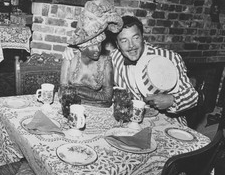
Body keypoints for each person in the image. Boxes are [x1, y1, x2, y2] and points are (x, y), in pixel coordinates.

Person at [64, 15, 198, 126]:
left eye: (136, 38)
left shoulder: (169, 58)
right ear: (117, 44)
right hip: (132, 124)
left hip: (169, 123)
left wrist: (172, 100)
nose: (131, 46)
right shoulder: (114, 59)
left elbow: (193, 96)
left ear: (143, 37)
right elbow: (90, 55)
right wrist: (73, 50)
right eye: (124, 41)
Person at [59, 0, 123, 108]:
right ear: (83, 47)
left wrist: (75, 91)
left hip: (95, 110)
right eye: (92, 46)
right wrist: (96, 97)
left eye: (99, 45)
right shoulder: (70, 58)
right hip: (73, 108)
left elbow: (107, 98)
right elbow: (63, 93)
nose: (97, 49)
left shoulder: (106, 61)